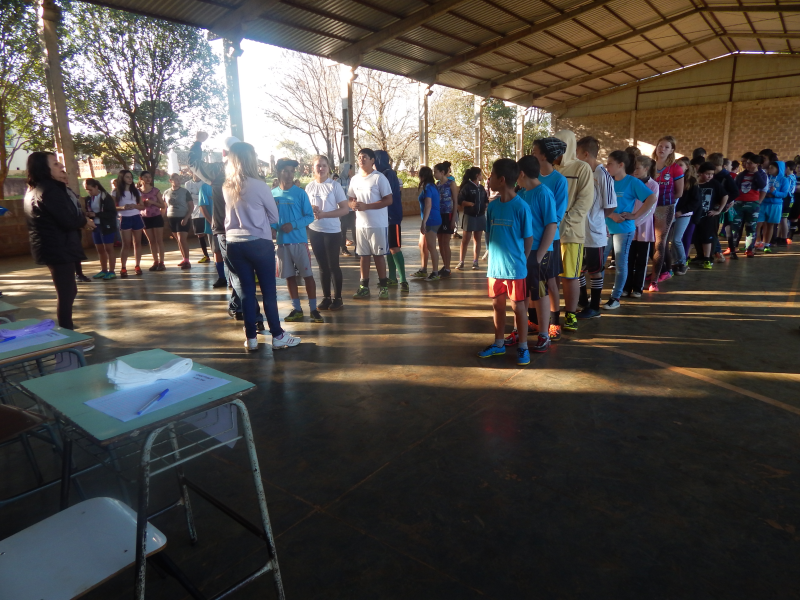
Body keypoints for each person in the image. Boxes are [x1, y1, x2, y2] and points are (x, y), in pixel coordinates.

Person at [222, 142, 300, 351]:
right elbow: (274, 217)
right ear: (251, 159)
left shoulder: (227, 186)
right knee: (268, 291)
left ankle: (251, 338)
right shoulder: (259, 186)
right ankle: (277, 335)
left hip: (234, 244)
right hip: (258, 242)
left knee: (246, 292)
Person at [189, 133, 265, 328]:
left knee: (237, 273)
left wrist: (198, 142)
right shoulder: (253, 173)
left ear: (224, 153)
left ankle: (254, 314)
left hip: (225, 230)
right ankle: (237, 305)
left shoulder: (216, 171)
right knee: (241, 272)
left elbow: (193, 163)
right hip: (251, 230)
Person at [24, 152, 95, 329]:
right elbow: (67, 219)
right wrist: (84, 221)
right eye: (56, 164)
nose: (62, 167)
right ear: (44, 168)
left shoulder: (38, 188)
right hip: (57, 247)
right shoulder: (50, 190)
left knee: (69, 290)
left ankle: (67, 327)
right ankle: (67, 331)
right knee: (66, 292)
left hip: (55, 245)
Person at [477, 158, 533, 366]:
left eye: (491, 175)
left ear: (501, 180)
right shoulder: (492, 207)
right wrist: (490, 256)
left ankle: (523, 346)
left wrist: (522, 260)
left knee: (519, 308)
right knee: (497, 306)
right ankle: (499, 343)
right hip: (495, 269)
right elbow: (489, 235)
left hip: (515, 269)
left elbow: (528, 238)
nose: (488, 179)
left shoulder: (521, 207)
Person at [511, 155, 557, 353]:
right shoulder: (522, 193)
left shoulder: (543, 193)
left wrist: (539, 255)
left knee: (539, 293)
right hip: (522, 251)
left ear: (521, 174)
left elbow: (551, 225)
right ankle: (518, 330)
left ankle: (544, 334)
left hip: (539, 252)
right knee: (521, 293)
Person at [603, 150, 657, 309]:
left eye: (610, 163)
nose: (607, 166)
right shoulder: (608, 181)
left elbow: (651, 198)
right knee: (599, 263)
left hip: (624, 229)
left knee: (621, 264)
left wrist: (635, 215)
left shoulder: (632, 182)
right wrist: (612, 215)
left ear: (621, 165)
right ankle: (596, 294)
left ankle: (615, 297)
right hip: (606, 228)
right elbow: (600, 204)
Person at [553, 129, 594, 333]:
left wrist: (566, 222)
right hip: (549, 233)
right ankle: (552, 314)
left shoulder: (582, 168)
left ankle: (570, 313)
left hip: (571, 232)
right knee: (551, 277)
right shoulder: (548, 169)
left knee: (570, 275)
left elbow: (585, 201)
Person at [271, 158, 321, 322]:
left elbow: (309, 217)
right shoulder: (273, 194)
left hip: (299, 242)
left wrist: (293, 225)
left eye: (292, 171)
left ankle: (313, 309)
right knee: (289, 277)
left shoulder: (300, 193)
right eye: (285, 171)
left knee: (307, 275)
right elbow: (271, 217)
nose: (289, 175)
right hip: (282, 243)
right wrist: (274, 228)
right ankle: (297, 309)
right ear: (279, 173)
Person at [531, 137, 568, 341]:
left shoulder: (559, 181)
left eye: (534, 151)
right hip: (530, 238)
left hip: (549, 239)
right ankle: (534, 320)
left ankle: (554, 322)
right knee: (532, 279)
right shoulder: (531, 177)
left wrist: (545, 231)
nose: (532, 154)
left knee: (551, 280)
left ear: (544, 155)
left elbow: (557, 215)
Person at [575, 136, 616, 318]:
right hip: (580, 231)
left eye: (577, 153)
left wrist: (597, 219)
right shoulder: (584, 172)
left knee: (595, 271)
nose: (575, 157)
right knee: (578, 269)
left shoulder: (602, 175)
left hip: (594, 233)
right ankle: (583, 301)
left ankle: (594, 307)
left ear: (585, 154)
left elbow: (610, 205)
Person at [348, 148, 394, 300]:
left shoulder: (379, 178)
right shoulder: (355, 179)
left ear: (372, 160)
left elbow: (389, 200)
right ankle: (364, 287)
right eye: (359, 157)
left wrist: (367, 206)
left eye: (365, 157)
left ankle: (383, 287)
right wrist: (352, 205)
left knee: (378, 256)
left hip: (378, 224)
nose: (361, 160)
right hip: (361, 225)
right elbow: (350, 199)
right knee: (364, 256)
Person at [306, 154, 349, 311]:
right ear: (313, 168)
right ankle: (326, 297)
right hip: (315, 230)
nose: (321, 168)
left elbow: (344, 209)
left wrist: (324, 214)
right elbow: (305, 208)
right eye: (318, 165)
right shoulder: (309, 187)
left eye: (324, 165)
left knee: (333, 265)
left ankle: (338, 298)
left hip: (332, 231)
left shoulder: (334, 186)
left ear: (328, 168)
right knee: (322, 266)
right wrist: (311, 208)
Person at [648, 136, 684, 291]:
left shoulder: (675, 168)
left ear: (672, 150)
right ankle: (656, 271)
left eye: (666, 147)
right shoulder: (649, 165)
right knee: (646, 242)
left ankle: (654, 281)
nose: (662, 149)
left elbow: (679, 192)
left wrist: (664, 202)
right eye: (660, 146)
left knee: (660, 243)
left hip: (664, 208)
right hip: (646, 208)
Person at [623, 155, 657, 296]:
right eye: (633, 168)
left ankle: (637, 288)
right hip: (628, 226)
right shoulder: (630, 182)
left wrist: (635, 220)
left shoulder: (653, 185)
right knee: (628, 259)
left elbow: (650, 209)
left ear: (646, 168)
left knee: (641, 260)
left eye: (637, 168)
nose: (634, 171)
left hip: (643, 228)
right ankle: (626, 287)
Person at [376, 151, 409, 292]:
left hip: (392, 216)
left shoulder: (388, 174)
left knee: (394, 247)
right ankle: (392, 277)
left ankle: (403, 280)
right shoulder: (385, 173)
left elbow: (385, 195)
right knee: (389, 248)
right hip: (385, 217)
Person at [730, 152, 768, 258]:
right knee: (735, 226)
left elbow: (762, 185)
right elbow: (735, 186)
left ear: (757, 164)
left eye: (750, 163)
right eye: (747, 163)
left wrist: (756, 173)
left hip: (752, 204)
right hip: (739, 203)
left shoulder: (761, 174)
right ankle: (732, 247)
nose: (747, 165)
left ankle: (749, 249)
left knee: (751, 227)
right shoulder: (742, 174)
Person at [670, 159, 701, 275]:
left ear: (687, 167)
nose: (678, 167)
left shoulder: (691, 182)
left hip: (683, 214)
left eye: (681, 165)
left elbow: (696, 201)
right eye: (676, 165)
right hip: (672, 212)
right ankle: (674, 262)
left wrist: (682, 211)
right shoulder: (673, 178)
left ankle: (683, 263)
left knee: (676, 239)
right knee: (671, 240)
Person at [694, 162, 728, 268]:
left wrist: (719, 211)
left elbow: (725, 196)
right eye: (707, 174)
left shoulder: (714, 183)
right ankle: (694, 256)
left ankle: (707, 258)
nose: (710, 176)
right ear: (700, 173)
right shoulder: (694, 183)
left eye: (712, 174)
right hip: (695, 215)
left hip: (708, 216)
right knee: (694, 237)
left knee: (707, 238)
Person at [84, 178, 118, 280]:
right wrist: (88, 215)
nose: (89, 192)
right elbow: (88, 210)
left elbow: (112, 213)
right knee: (99, 249)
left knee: (108, 249)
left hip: (107, 225)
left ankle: (112, 271)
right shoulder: (88, 199)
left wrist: (96, 214)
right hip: (96, 226)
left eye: (90, 189)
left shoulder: (106, 197)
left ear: (96, 187)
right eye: (87, 190)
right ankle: (104, 270)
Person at [113, 169, 145, 278]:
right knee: (126, 244)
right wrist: (123, 207)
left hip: (136, 217)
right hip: (125, 218)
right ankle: (123, 267)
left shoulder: (136, 191)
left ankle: (137, 265)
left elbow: (142, 206)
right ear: (121, 178)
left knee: (137, 243)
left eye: (131, 177)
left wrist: (135, 206)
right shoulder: (116, 191)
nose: (130, 179)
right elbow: (112, 207)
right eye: (127, 177)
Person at [456, 167, 488, 270]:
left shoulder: (481, 188)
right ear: (477, 175)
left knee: (477, 239)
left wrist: (486, 205)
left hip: (480, 216)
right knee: (466, 240)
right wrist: (469, 204)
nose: (482, 176)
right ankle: (461, 261)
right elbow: (460, 200)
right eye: (480, 174)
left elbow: (486, 200)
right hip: (469, 216)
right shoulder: (467, 187)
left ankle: (475, 261)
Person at [414, 166, 442, 280]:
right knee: (422, 244)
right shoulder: (432, 186)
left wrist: (424, 222)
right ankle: (423, 269)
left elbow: (428, 205)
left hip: (431, 220)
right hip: (431, 218)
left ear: (423, 176)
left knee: (431, 247)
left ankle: (435, 273)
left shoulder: (428, 188)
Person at [197, 180, 226, 287]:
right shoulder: (205, 187)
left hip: (229, 225)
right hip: (213, 227)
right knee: (216, 251)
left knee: (232, 252)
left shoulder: (227, 184)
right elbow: (202, 206)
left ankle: (234, 278)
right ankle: (222, 277)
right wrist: (212, 222)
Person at [756, 160, 790, 253]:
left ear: (778, 169)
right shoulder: (767, 177)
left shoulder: (784, 180)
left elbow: (784, 194)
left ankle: (766, 244)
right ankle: (757, 242)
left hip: (775, 205)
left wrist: (774, 192)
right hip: (764, 203)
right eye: (769, 167)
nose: (769, 169)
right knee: (758, 224)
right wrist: (767, 193)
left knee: (770, 225)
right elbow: (762, 189)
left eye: (772, 168)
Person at [164, 173, 194, 269]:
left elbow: (191, 206)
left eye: (179, 179)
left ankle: (187, 261)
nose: (178, 181)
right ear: (170, 180)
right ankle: (184, 258)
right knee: (178, 240)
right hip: (171, 218)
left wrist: (186, 217)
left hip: (182, 217)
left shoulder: (185, 192)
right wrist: (162, 217)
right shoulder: (166, 192)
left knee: (182, 239)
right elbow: (164, 207)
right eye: (176, 179)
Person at [138, 171, 166, 271]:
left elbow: (163, 205)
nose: (148, 179)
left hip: (156, 217)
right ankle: (155, 261)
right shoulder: (138, 192)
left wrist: (153, 202)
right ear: (141, 178)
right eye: (145, 177)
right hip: (145, 217)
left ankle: (161, 262)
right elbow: (137, 205)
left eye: (149, 177)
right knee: (151, 241)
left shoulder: (155, 191)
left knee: (159, 240)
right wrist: (143, 204)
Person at [434, 162, 458, 276]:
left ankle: (448, 268)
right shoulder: (437, 185)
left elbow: (455, 201)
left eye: (436, 172)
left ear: (442, 172)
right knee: (440, 242)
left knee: (445, 242)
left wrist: (453, 219)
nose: (434, 174)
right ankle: (444, 265)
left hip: (448, 214)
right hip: (439, 215)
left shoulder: (451, 183)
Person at [184, 173, 210, 263]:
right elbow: (188, 198)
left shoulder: (205, 183)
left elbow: (205, 197)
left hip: (206, 211)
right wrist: (199, 196)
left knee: (210, 233)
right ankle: (206, 255)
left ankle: (216, 253)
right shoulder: (188, 184)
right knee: (200, 235)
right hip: (195, 213)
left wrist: (195, 196)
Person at [338, 162, 356, 256]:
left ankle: (357, 248)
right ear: (344, 170)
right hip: (342, 210)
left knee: (355, 229)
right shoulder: (338, 182)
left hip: (352, 210)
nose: (351, 171)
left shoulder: (352, 180)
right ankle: (343, 248)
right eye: (349, 169)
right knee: (343, 230)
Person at [777, 160, 796, 246]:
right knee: (781, 220)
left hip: (787, 200)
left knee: (784, 219)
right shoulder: (793, 176)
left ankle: (784, 238)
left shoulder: (788, 178)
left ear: (787, 168)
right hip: (788, 199)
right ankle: (779, 236)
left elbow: (786, 190)